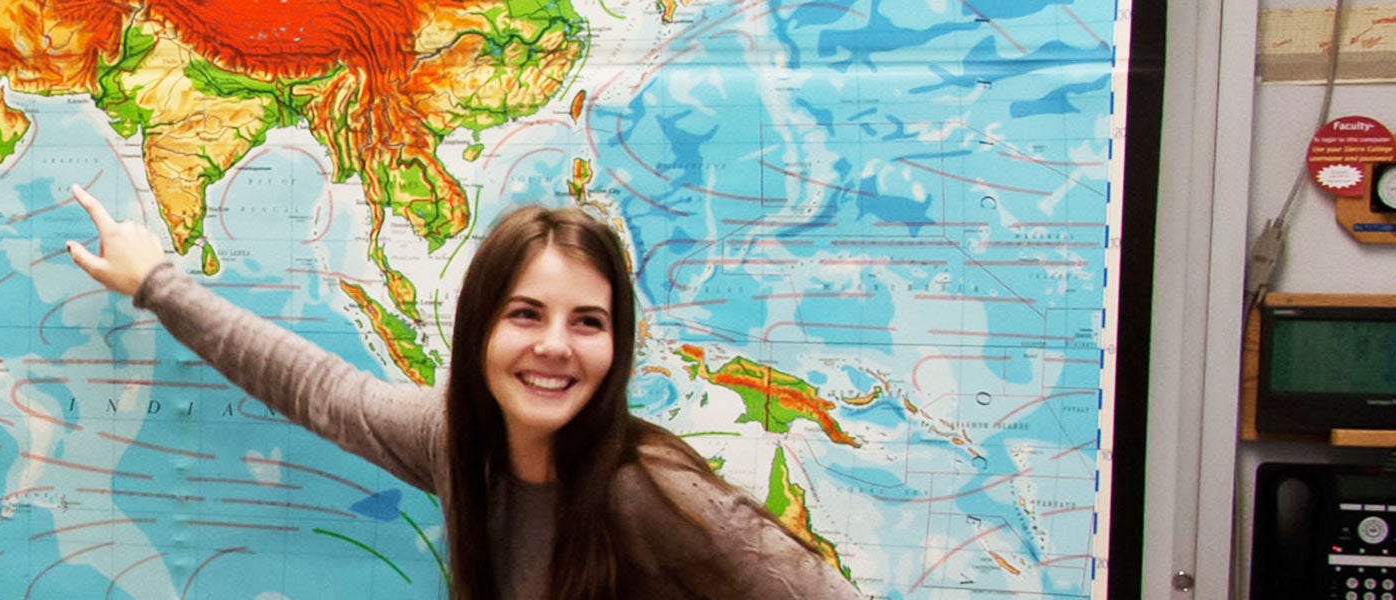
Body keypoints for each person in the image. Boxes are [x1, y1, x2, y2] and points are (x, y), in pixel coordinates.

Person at [65, 186, 858, 599]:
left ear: (614, 349)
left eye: (587, 321)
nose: (554, 345)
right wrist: (157, 284)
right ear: (480, 329)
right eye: (525, 314)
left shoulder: (644, 494)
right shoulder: (458, 445)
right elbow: (315, 386)